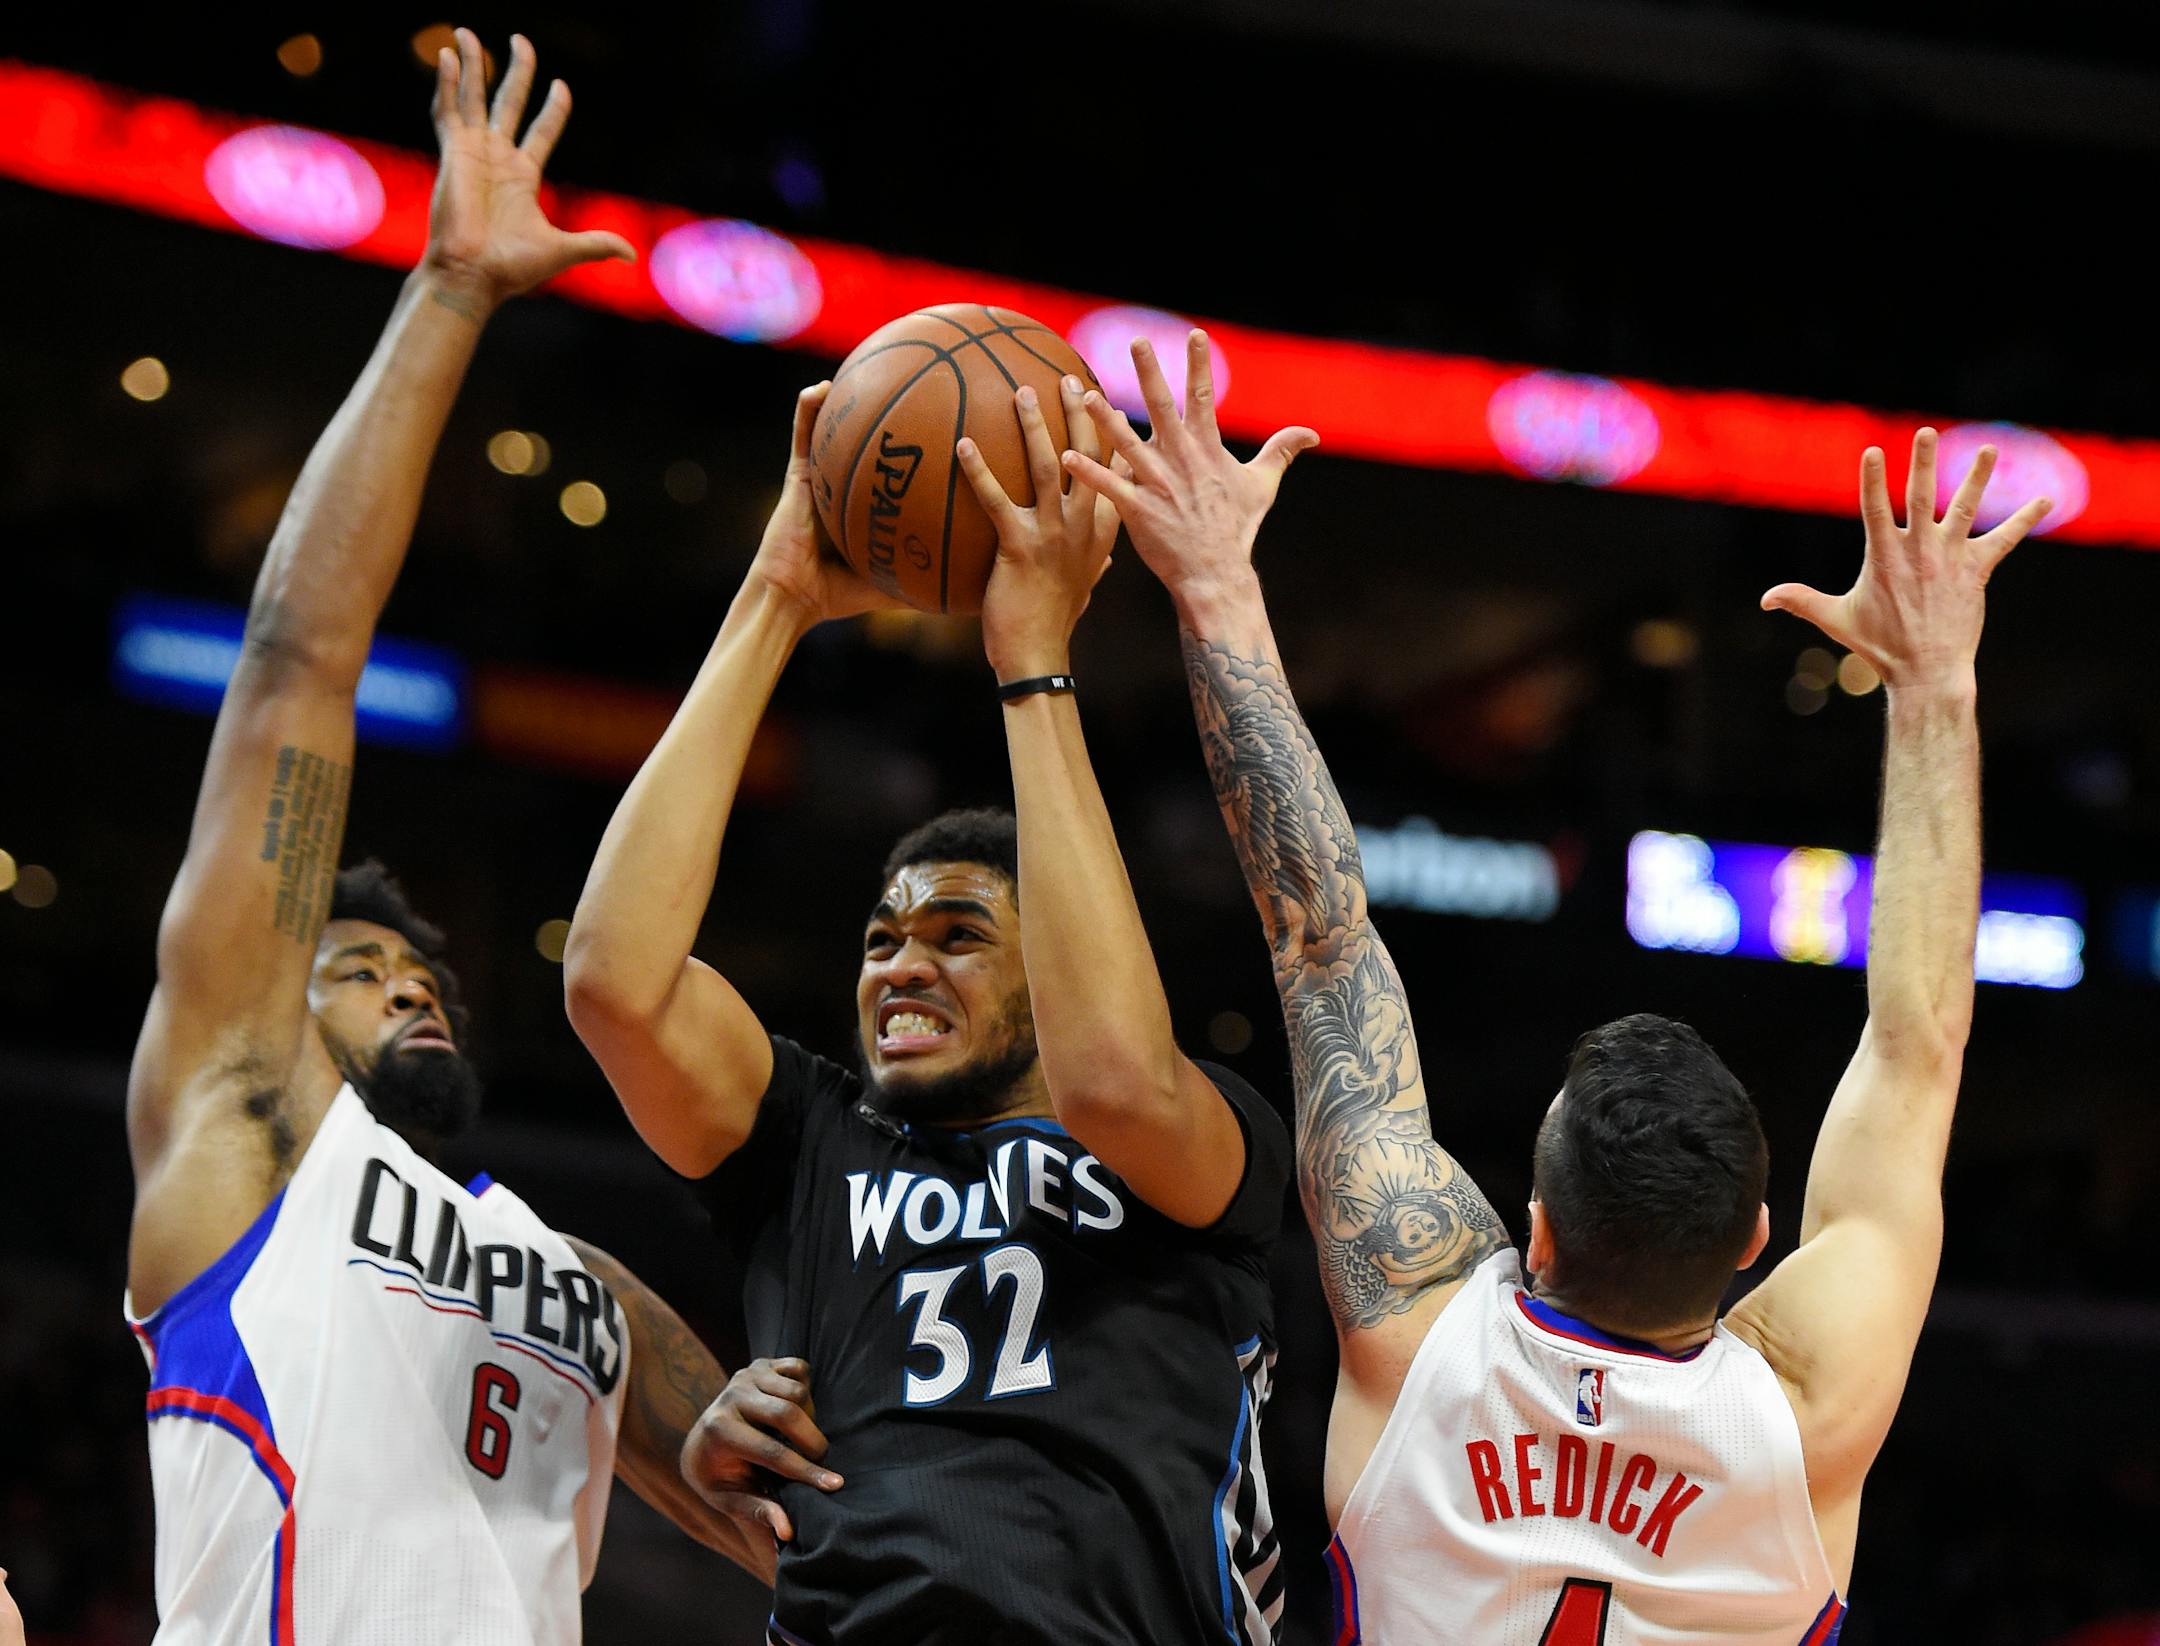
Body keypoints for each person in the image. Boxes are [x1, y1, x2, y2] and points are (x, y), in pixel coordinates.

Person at [1069, 331, 2050, 1643]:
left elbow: (1322, 940)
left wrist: (1211, 586)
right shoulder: (1808, 1411)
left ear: (1532, 1228)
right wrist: (1938, 683)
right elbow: (1920, 1039)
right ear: (1754, 1239)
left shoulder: (1416, 1337)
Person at [124, 32, 778, 1643]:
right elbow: (296, 662)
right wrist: (452, 292)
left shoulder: (555, 1277)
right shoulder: (246, 1114)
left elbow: (784, 1507)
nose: (416, 991)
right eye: (355, 966)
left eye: (425, 972)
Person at [564, 374, 1293, 1644]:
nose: (900, 964)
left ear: (1051, 962)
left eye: (959, 936)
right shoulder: (812, 1143)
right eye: (881, 938)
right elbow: (613, 984)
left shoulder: (1200, 1150)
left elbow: (1113, 1075)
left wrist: (1034, 662)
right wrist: (777, 595)